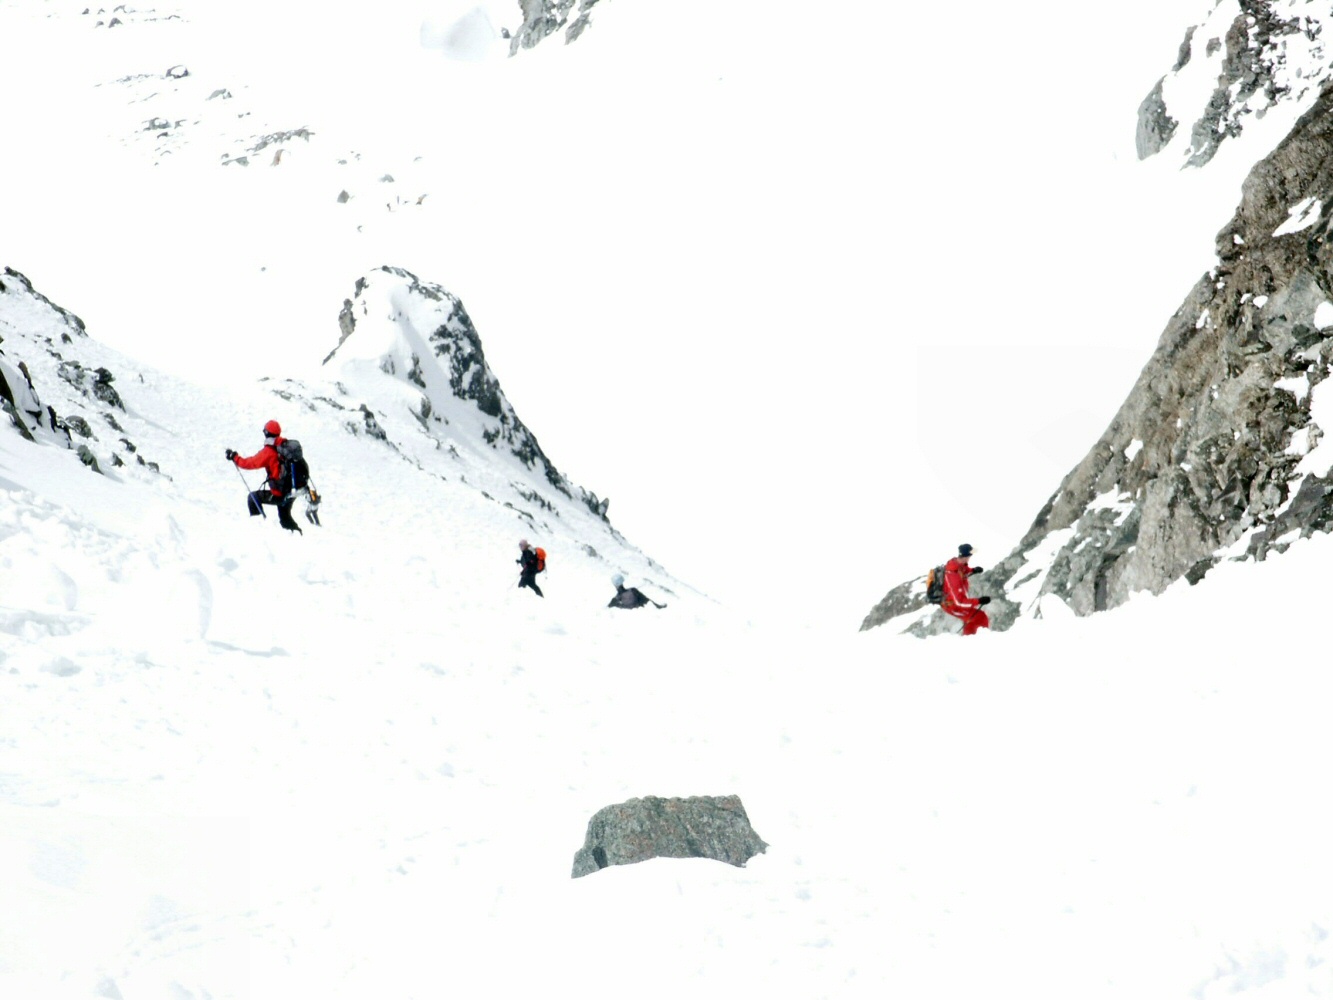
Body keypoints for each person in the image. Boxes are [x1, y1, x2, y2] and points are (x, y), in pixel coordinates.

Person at [226, 419, 303, 534]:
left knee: (253, 498)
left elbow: (250, 463)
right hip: (292, 490)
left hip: (280, 492)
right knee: (285, 517)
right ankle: (298, 535)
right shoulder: (285, 446)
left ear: (266, 433)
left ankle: (259, 529)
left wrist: (235, 457)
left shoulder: (269, 451)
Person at [942, 543, 990, 635]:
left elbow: (963, 571)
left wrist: (973, 570)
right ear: (966, 556)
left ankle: (968, 640)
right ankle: (982, 640)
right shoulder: (953, 574)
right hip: (952, 606)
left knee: (973, 619)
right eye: (970, 555)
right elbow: (959, 602)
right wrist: (979, 601)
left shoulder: (958, 564)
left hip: (956, 602)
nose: (971, 556)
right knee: (981, 617)